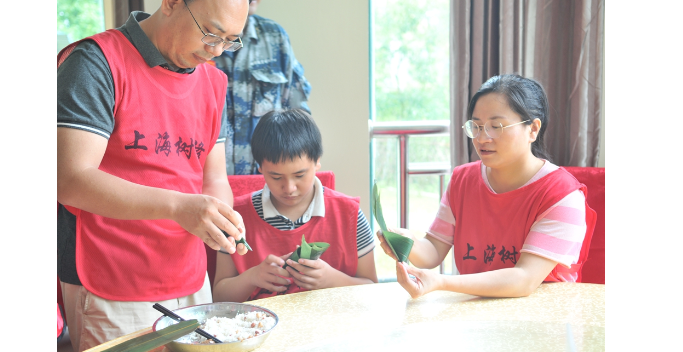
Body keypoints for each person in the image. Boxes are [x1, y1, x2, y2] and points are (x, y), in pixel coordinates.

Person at [56, 1, 251, 350]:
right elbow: (70, 179)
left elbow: (214, 177)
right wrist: (179, 207)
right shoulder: (95, 62)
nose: (216, 51)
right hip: (110, 279)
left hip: (190, 280)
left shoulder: (213, 81)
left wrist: (220, 218)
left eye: (230, 40)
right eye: (210, 33)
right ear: (172, 3)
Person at [377, 74, 596, 299]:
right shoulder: (462, 180)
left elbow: (523, 279)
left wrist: (440, 282)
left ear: (533, 129)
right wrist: (407, 242)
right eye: (477, 126)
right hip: (475, 319)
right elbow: (433, 251)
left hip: (542, 322)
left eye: (496, 126)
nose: (482, 138)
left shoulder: (562, 195)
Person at [212, 109, 377, 302]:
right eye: (276, 177)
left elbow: (373, 289)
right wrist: (253, 277)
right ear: (260, 168)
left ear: (317, 162)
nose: (289, 188)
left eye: (299, 175)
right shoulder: (236, 217)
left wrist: (332, 280)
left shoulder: (350, 214)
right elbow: (219, 297)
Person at [213, 0, 312, 175]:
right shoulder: (199, 40)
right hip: (209, 183)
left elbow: (298, 117)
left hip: (268, 182)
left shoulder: (274, 37)